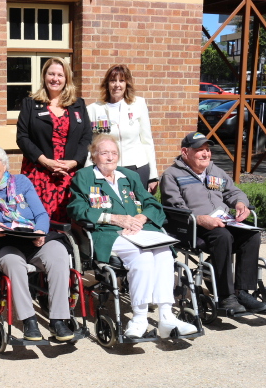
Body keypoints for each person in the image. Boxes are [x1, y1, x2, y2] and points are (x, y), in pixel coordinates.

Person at [67, 134, 198, 338]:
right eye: (104, 153)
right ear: (94, 156)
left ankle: (167, 317)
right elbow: (77, 209)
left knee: (164, 253)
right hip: (109, 233)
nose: (110, 157)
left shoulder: (128, 176)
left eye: (114, 153)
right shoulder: (84, 177)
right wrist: (114, 218)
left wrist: (141, 217)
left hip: (140, 230)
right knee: (143, 257)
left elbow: (152, 203)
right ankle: (139, 318)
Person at [0, 143, 74, 341]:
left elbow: (41, 214)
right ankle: (29, 321)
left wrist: (40, 231)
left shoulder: (21, 182)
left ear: (4, 163)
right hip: (4, 244)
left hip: (32, 240)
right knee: (13, 263)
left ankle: (58, 320)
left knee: (59, 253)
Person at [160, 131, 266, 314]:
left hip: (222, 220)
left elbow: (233, 191)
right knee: (222, 237)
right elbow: (174, 206)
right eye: (200, 150)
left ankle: (242, 291)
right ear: (185, 152)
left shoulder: (215, 170)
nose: (206, 154)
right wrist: (200, 218)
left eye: (207, 150)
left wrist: (240, 203)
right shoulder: (172, 175)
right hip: (192, 226)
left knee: (252, 235)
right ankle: (225, 296)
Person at [16, 57, 92, 223]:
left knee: (69, 221)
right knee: (38, 220)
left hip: (69, 173)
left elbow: (87, 137)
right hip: (39, 172)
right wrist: (45, 161)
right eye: (51, 74)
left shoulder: (78, 104)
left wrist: (73, 162)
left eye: (60, 75)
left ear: (66, 79)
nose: (55, 79)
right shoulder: (30, 104)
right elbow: (22, 137)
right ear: (44, 76)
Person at [86, 64, 158, 193]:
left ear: (127, 84)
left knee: (137, 204)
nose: (117, 85)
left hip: (137, 168)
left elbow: (147, 141)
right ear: (107, 84)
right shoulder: (93, 109)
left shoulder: (138, 104)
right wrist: (87, 171)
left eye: (122, 80)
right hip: (106, 168)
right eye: (113, 81)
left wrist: (153, 175)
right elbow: (90, 145)